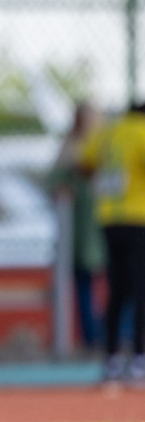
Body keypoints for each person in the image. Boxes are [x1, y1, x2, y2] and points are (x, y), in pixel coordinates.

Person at [80, 102, 145, 383]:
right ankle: (140, 356)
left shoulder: (107, 132)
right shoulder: (141, 132)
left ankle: (111, 357)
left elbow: (84, 164)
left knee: (117, 288)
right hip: (139, 216)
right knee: (141, 287)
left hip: (108, 217)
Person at [48, 103, 105, 352]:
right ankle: (91, 336)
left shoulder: (108, 144)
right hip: (80, 232)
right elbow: (54, 180)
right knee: (83, 282)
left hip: (110, 226)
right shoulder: (70, 149)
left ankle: (117, 335)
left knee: (123, 282)